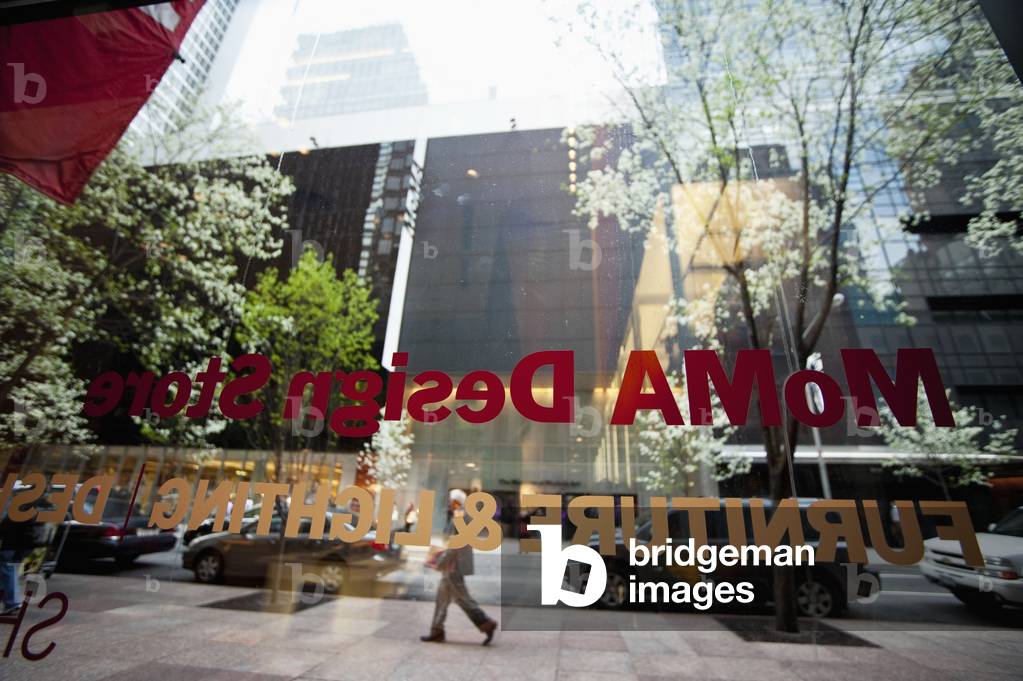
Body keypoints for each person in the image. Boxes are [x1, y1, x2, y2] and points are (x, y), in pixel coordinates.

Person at [421, 489, 497, 645]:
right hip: (453, 565)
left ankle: (486, 622)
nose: (449, 504)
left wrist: (441, 561)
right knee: (442, 599)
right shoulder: (464, 516)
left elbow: (456, 544)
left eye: (452, 501)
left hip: (453, 566)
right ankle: (436, 631)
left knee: (463, 599)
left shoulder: (461, 516)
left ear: (457, 502)